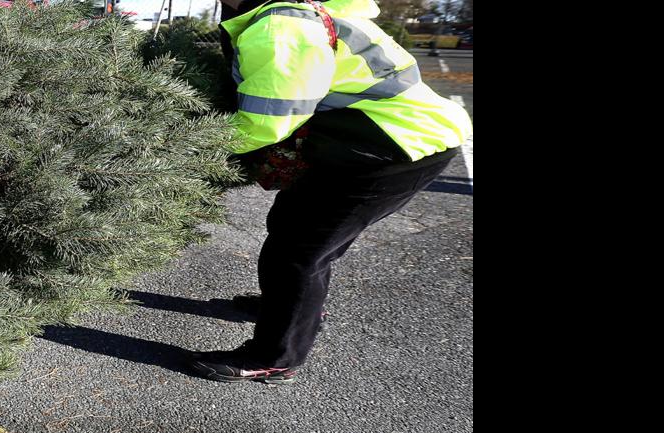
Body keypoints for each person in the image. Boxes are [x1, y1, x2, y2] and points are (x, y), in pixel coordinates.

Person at [190, 0, 472, 383]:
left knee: (299, 252)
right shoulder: (299, 13)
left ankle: (275, 356)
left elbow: (269, 118)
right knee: (293, 227)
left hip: (390, 151)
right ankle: (294, 308)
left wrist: (191, 146)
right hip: (382, 142)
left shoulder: (282, 25)